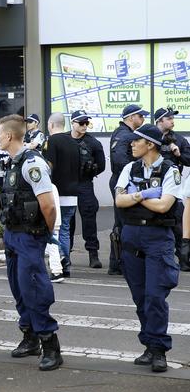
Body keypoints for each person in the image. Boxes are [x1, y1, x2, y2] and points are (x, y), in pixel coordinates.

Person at [0, 114, 62, 371]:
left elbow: (48, 205)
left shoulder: (31, 164)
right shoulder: (12, 162)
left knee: (33, 288)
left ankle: (50, 344)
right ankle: (30, 337)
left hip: (29, 236)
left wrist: (44, 234)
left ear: (10, 136)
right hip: (12, 234)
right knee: (18, 288)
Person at [114, 124, 181, 373]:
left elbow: (165, 206)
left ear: (150, 144)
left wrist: (135, 194)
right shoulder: (129, 168)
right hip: (131, 237)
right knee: (140, 297)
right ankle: (149, 345)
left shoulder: (170, 170)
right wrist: (145, 195)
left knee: (155, 296)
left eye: (135, 141)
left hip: (157, 237)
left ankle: (159, 349)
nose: (131, 144)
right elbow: (119, 200)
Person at [108, 104, 147, 275]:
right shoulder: (125, 135)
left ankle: (117, 264)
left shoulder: (122, 133)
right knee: (125, 223)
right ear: (132, 117)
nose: (143, 119)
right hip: (122, 183)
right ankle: (120, 264)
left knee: (122, 222)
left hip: (120, 182)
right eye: (141, 116)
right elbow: (119, 160)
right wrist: (133, 172)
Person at [42, 115, 80, 278]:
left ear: (51, 125)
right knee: (65, 228)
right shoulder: (74, 142)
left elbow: (48, 166)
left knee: (55, 230)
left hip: (56, 192)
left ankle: (61, 260)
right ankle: (65, 263)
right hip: (73, 191)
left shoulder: (51, 141)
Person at [155, 107, 190, 271]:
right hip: (152, 186)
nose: (172, 121)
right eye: (169, 118)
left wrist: (178, 154)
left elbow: (189, 159)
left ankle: (183, 259)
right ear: (160, 121)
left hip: (173, 187)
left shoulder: (179, 140)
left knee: (176, 223)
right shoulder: (150, 137)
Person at [69, 110, 106, 269]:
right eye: (81, 123)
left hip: (85, 183)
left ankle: (93, 254)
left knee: (89, 218)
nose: (85, 126)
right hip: (67, 184)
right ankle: (65, 253)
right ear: (73, 123)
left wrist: (91, 171)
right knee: (67, 221)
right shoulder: (63, 139)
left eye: (86, 123)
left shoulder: (93, 143)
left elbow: (102, 166)